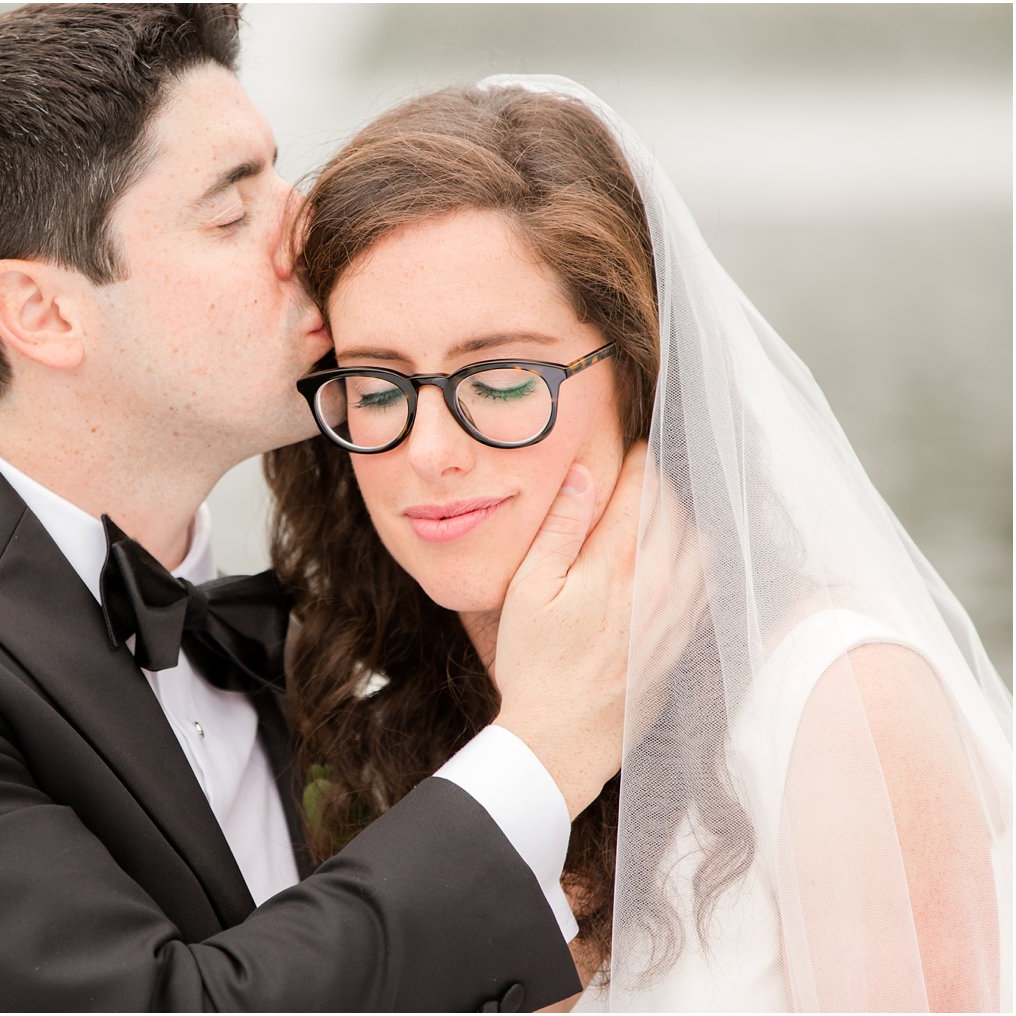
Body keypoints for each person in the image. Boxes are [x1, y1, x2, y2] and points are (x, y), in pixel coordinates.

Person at [0, 10, 639, 1011]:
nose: (307, 231)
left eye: (278, 178)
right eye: (229, 212)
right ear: (43, 312)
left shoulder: (308, 646)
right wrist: (541, 749)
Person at [267, 75, 1011, 1011]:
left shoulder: (833, 706)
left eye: (497, 377)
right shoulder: (379, 714)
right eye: (378, 386)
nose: (427, 452)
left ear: (640, 374)